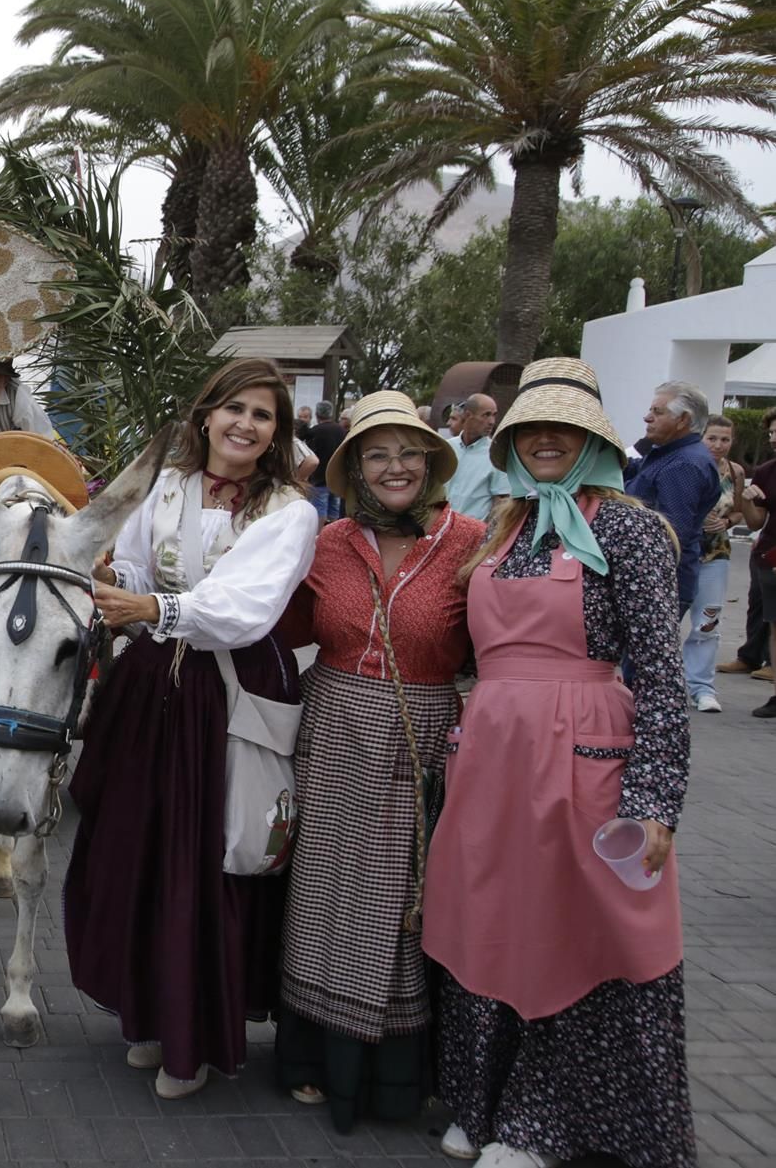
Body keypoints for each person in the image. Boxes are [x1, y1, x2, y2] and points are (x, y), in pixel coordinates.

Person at [423, 357, 694, 1168]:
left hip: (584, 757)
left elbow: (661, 674)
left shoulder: (629, 529)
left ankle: (540, 1125)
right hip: (492, 758)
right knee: (488, 923)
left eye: (564, 428)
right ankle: (480, 1099)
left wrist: (653, 800)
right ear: (508, 441)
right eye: (530, 427)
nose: (545, 439)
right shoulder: (497, 527)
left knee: (577, 934)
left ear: (593, 440)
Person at [66, 356, 319, 1100]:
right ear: (206, 415)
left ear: (277, 432)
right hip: (153, 682)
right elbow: (141, 570)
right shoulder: (166, 486)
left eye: (262, 415)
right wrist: (116, 582)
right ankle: (147, 1013)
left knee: (208, 856)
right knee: (140, 847)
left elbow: (245, 608)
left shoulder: (288, 512)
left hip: (226, 690)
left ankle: (195, 1036)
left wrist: (154, 609)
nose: (245, 424)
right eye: (233, 408)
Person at [274, 391, 485, 1132]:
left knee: (398, 901)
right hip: (330, 727)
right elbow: (284, 624)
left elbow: (495, 645)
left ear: (430, 462)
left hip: (419, 732)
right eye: (376, 455)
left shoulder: (472, 543)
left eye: (408, 453)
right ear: (356, 469)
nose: (394, 467)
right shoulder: (328, 542)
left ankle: (388, 1078)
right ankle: (308, 1059)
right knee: (319, 888)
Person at [627, 381, 719, 623]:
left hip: (657, 585)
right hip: (653, 582)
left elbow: (671, 535)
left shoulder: (683, 465)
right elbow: (632, 470)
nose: (647, 418)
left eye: (658, 412)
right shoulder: (668, 454)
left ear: (683, 420)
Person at [683, 415, 747, 713]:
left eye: (725, 439)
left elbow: (739, 512)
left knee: (708, 621)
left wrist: (727, 521)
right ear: (700, 437)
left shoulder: (735, 471)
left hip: (716, 554)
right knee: (664, 620)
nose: (718, 445)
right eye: (712, 438)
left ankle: (702, 687)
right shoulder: (687, 465)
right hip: (681, 551)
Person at [728, 409, 776, 717]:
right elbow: (756, 522)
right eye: (771, 433)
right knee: (774, 625)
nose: (773, 438)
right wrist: (745, 500)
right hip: (770, 558)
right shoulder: (766, 471)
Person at [443, 394, 505, 523]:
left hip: (477, 530)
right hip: (442, 527)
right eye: (486, 415)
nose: (492, 421)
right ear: (468, 415)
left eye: (494, 415)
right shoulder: (447, 448)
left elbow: (501, 501)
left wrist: (486, 531)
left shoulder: (497, 453)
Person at [305, 401, 347, 522]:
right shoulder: (340, 430)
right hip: (336, 477)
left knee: (319, 510)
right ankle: (334, 532)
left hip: (319, 477)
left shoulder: (314, 431)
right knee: (334, 509)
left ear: (317, 414)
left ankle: (319, 533)